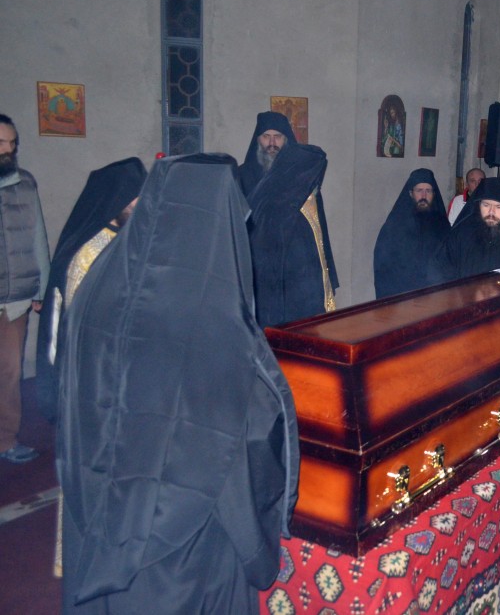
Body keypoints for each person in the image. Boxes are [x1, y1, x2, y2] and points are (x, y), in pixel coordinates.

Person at [57, 153, 299, 613]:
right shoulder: (208, 316)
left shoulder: (102, 278)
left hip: (99, 518)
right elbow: (232, 450)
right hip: (183, 551)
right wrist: (256, 549)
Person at [36, 157, 147, 425]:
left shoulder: (131, 237)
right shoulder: (90, 248)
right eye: (133, 201)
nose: (139, 206)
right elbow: (79, 309)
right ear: (115, 199)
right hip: (95, 356)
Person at [240, 112, 338, 327]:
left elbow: (317, 227)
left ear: (287, 140)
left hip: (297, 271)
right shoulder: (242, 176)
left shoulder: (303, 178)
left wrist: (325, 275)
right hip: (260, 272)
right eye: (266, 136)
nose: (272, 143)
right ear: (257, 139)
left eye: (278, 137)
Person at [0, 114, 49, 464]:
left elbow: (37, 239)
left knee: (10, 372)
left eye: (12, 143)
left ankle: (5, 440)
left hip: (15, 298)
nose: (8, 150)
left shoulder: (26, 184)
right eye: (1, 143)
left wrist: (40, 289)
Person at [429, 177, 500, 283]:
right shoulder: (461, 234)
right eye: (486, 205)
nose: (491, 212)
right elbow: (440, 269)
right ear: (478, 205)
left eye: (499, 207)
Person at [374, 168, 450, 298]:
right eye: (419, 190)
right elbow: (383, 267)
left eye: (428, 191)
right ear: (410, 193)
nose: (424, 196)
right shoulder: (394, 225)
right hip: (402, 297)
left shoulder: (442, 225)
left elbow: (449, 263)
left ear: (434, 194)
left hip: (435, 296)